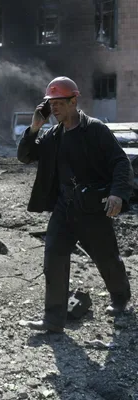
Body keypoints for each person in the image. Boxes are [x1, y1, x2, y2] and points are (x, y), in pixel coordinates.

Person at [17, 76, 133, 333]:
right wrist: (34, 128)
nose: (54, 108)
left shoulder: (95, 130)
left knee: (106, 258)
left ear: (73, 101)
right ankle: (53, 320)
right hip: (64, 208)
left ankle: (120, 298)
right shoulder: (52, 135)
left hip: (92, 209)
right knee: (54, 257)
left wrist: (117, 193)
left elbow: (120, 163)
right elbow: (25, 156)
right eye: (50, 103)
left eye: (59, 103)